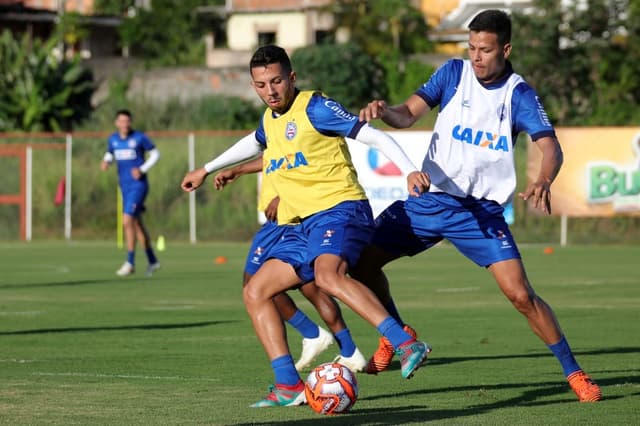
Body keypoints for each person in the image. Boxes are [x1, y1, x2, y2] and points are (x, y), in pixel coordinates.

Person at [355, 9, 601, 402]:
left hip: (479, 215)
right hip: (430, 201)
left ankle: (574, 373)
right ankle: (397, 336)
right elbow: (406, 115)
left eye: (485, 50)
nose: (476, 57)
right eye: (471, 48)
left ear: (505, 48)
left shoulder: (518, 94)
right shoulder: (452, 73)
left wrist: (542, 180)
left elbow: (549, 147)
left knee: (521, 295)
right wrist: (385, 111)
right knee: (360, 262)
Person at [181, 45, 431, 407]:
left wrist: (408, 168)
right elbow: (252, 143)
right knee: (255, 292)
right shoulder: (269, 120)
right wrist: (206, 169)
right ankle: (288, 385)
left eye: (277, 81)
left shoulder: (315, 107)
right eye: (261, 84)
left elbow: (374, 135)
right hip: (300, 224)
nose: (270, 90)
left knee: (328, 276)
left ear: (292, 78)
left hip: (340, 210)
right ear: (253, 86)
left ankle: (406, 342)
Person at [212, 157, 367, 372]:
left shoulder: (294, 127)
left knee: (257, 285)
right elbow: (274, 157)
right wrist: (238, 170)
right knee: (309, 286)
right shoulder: (274, 128)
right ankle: (347, 350)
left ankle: (315, 336)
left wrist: (281, 195)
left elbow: (299, 158)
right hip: (285, 217)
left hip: (283, 220)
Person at [101, 109, 161, 277]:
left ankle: (130, 262)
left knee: (127, 221)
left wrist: (142, 169)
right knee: (136, 223)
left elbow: (156, 154)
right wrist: (106, 161)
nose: (124, 124)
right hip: (124, 187)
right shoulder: (113, 139)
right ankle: (152, 260)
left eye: (127, 121)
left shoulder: (139, 138)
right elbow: (110, 153)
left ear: (130, 122)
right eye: (121, 121)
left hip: (138, 186)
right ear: (117, 123)